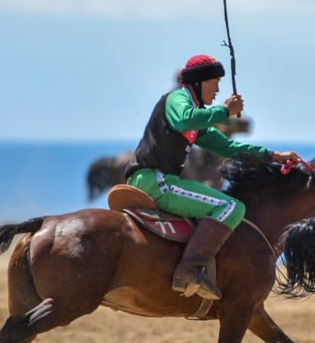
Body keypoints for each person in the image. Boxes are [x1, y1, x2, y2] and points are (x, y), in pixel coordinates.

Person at [125, 54, 301, 301]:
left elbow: (229, 148)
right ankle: (190, 270)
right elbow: (183, 119)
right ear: (198, 82)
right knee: (232, 207)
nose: (218, 90)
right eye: (215, 82)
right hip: (157, 181)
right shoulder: (178, 98)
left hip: (157, 180)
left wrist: (274, 156)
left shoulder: (197, 119)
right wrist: (225, 112)